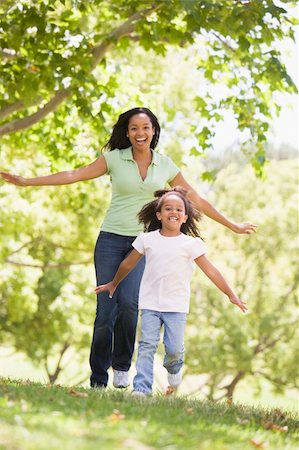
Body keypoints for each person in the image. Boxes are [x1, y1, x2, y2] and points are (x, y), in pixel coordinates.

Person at [0, 107, 256, 389]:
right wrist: (28, 181)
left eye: (145, 128)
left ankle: (122, 367)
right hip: (110, 239)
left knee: (130, 306)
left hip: (144, 245)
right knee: (105, 311)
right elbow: (74, 175)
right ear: (127, 132)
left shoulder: (166, 165)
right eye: (134, 128)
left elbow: (197, 200)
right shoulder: (114, 159)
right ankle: (98, 378)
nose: (140, 133)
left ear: (154, 131)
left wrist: (231, 224)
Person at [95, 187, 247, 397]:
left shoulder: (190, 244)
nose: (173, 212)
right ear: (159, 214)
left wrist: (231, 294)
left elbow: (211, 270)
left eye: (178, 209)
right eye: (168, 208)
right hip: (150, 305)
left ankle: (174, 368)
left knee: (174, 349)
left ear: (185, 216)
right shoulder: (146, 239)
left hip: (176, 307)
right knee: (147, 345)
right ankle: (141, 388)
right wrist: (113, 283)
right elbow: (128, 265)